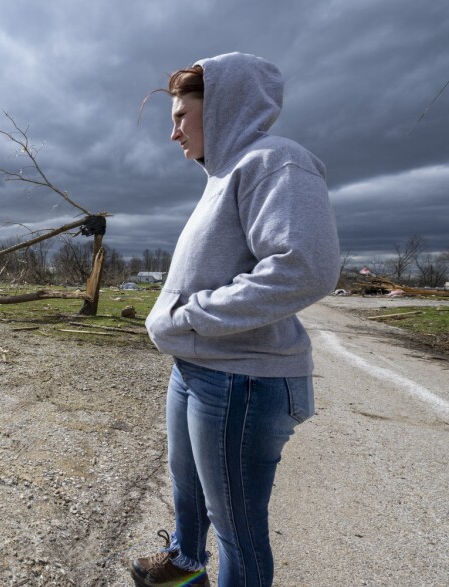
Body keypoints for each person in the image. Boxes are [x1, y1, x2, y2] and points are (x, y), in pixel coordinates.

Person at [131, 53, 340, 587]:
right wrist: (186, 329)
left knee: (238, 533)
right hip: (199, 366)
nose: (173, 130)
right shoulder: (221, 177)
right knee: (188, 489)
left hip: (244, 379)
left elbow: (305, 269)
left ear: (222, 107)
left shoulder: (276, 161)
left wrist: (193, 317)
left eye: (182, 115)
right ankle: (184, 566)